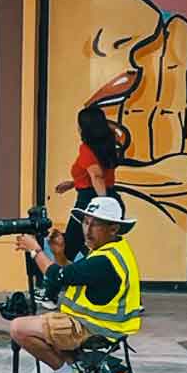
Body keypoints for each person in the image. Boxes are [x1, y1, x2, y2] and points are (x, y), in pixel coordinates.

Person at [7, 194, 143, 373]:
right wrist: (59, 255)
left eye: (95, 225)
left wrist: (35, 250)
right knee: (39, 325)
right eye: (85, 223)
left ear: (113, 229)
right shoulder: (111, 250)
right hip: (100, 325)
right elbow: (76, 276)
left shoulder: (104, 260)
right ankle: (78, 372)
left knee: (19, 328)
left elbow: (57, 276)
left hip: (94, 328)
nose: (87, 230)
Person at [55, 106, 123, 260]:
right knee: (97, 245)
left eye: (79, 124)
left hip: (90, 200)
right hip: (109, 194)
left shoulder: (87, 148)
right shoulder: (108, 143)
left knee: (70, 246)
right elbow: (98, 174)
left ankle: (61, 279)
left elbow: (97, 176)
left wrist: (102, 206)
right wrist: (73, 183)